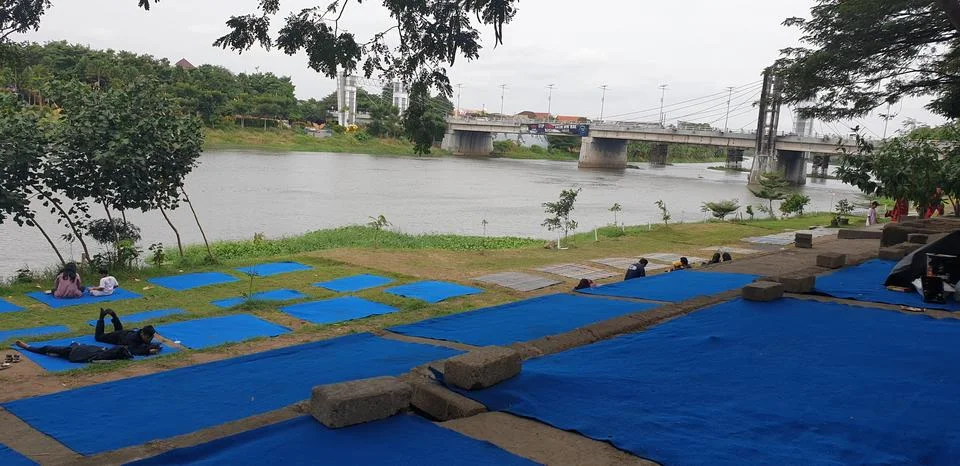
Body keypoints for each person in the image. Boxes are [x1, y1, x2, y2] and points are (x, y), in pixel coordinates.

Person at [94, 308, 161, 355]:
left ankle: (114, 316)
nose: (150, 340)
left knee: (119, 331)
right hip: (118, 337)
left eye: (151, 338)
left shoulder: (145, 334)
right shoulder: (134, 339)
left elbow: (154, 345)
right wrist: (148, 351)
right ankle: (101, 317)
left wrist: (156, 348)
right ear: (143, 334)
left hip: (125, 334)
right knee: (99, 337)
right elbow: (134, 351)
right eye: (148, 338)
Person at [14, 340, 133, 363]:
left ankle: (28, 347)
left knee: (47, 348)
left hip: (73, 352)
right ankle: (73, 344)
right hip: (76, 350)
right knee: (53, 350)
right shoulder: (107, 351)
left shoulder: (105, 355)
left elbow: (96, 360)